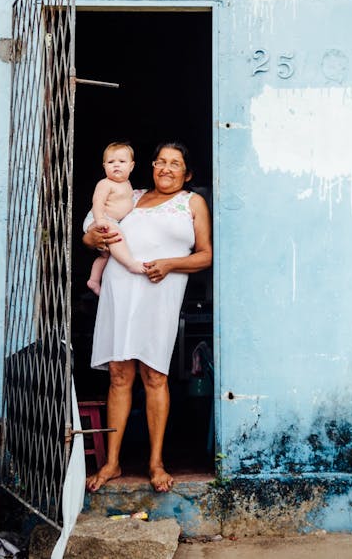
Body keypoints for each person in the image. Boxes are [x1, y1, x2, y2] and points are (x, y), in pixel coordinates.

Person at [82, 141, 212, 493]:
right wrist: (93, 237)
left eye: (175, 163)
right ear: (150, 166)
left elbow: (205, 256)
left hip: (160, 293)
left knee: (155, 374)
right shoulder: (131, 196)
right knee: (119, 375)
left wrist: (170, 264)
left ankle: (156, 462)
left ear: (188, 172)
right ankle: (112, 462)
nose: (166, 168)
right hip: (120, 290)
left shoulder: (192, 202)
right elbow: (94, 231)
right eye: (160, 162)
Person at [86, 141, 145, 296]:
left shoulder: (127, 183)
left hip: (111, 221)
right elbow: (97, 202)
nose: (116, 165)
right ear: (104, 166)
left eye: (122, 161)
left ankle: (93, 280)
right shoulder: (105, 184)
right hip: (99, 219)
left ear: (131, 166)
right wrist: (100, 220)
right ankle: (130, 263)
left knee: (105, 255)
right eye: (111, 162)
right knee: (115, 235)